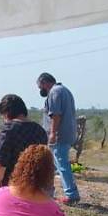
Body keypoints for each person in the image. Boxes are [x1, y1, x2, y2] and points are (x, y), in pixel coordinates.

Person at [37, 72, 81, 204]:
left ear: (44, 83)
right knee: (55, 164)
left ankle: (71, 194)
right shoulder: (64, 90)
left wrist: (53, 133)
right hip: (67, 133)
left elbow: (56, 115)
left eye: (40, 86)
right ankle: (48, 191)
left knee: (62, 164)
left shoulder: (54, 92)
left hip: (60, 135)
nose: (40, 90)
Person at [0, 93, 48, 190]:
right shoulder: (39, 130)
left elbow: (0, 163)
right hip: (35, 188)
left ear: (6, 113)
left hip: (11, 188)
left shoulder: (7, 131)